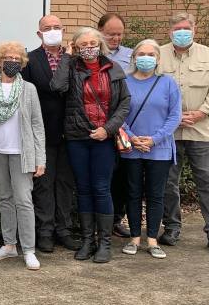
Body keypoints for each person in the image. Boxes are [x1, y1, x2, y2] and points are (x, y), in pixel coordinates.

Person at [50, 27, 130, 263]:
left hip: (103, 137)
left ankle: (105, 242)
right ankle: (87, 240)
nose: (89, 47)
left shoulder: (113, 68)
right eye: (82, 44)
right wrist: (66, 56)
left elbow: (124, 103)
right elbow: (58, 87)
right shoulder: (72, 67)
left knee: (102, 188)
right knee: (83, 189)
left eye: (92, 43)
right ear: (76, 46)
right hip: (77, 136)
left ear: (100, 44)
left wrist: (108, 129)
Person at [157, 12, 209, 256]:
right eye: (177, 28)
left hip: (203, 130)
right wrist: (172, 116)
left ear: (194, 29)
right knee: (168, 182)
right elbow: (150, 87)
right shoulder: (158, 54)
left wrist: (201, 112)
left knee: (208, 182)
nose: (182, 32)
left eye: (186, 28)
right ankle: (172, 228)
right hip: (168, 132)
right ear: (169, 31)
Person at [0, 42, 46, 270]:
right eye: (9, 58)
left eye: (17, 59)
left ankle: (29, 250)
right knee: (5, 198)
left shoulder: (29, 89)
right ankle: (9, 245)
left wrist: (40, 159)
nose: (13, 62)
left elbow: (37, 125)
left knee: (24, 201)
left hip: (21, 153)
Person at [120, 39, 182, 259]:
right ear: (134, 57)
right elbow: (118, 113)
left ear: (157, 59)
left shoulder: (168, 83)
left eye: (151, 54)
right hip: (131, 147)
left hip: (160, 148)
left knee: (156, 195)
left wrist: (154, 139)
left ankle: (153, 239)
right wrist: (134, 138)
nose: (146, 58)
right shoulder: (124, 81)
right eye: (141, 54)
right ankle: (134, 237)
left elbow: (175, 116)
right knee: (133, 193)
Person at [21, 15, 78, 252]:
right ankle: (45, 231)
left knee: (65, 183)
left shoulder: (75, 60)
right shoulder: (30, 61)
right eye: (47, 28)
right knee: (44, 183)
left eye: (57, 28)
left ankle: (64, 229)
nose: (52, 31)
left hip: (72, 131)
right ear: (39, 34)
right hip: (43, 131)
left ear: (63, 31)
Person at [98, 13, 134, 239]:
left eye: (119, 34)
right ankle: (99, 223)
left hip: (125, 125)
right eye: (111, 34)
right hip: (98, 124)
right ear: (100, 30)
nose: (115, 38)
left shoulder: (132, 56)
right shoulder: (92, 53)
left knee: (122, 177)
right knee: (104, 177)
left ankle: (116, 220)